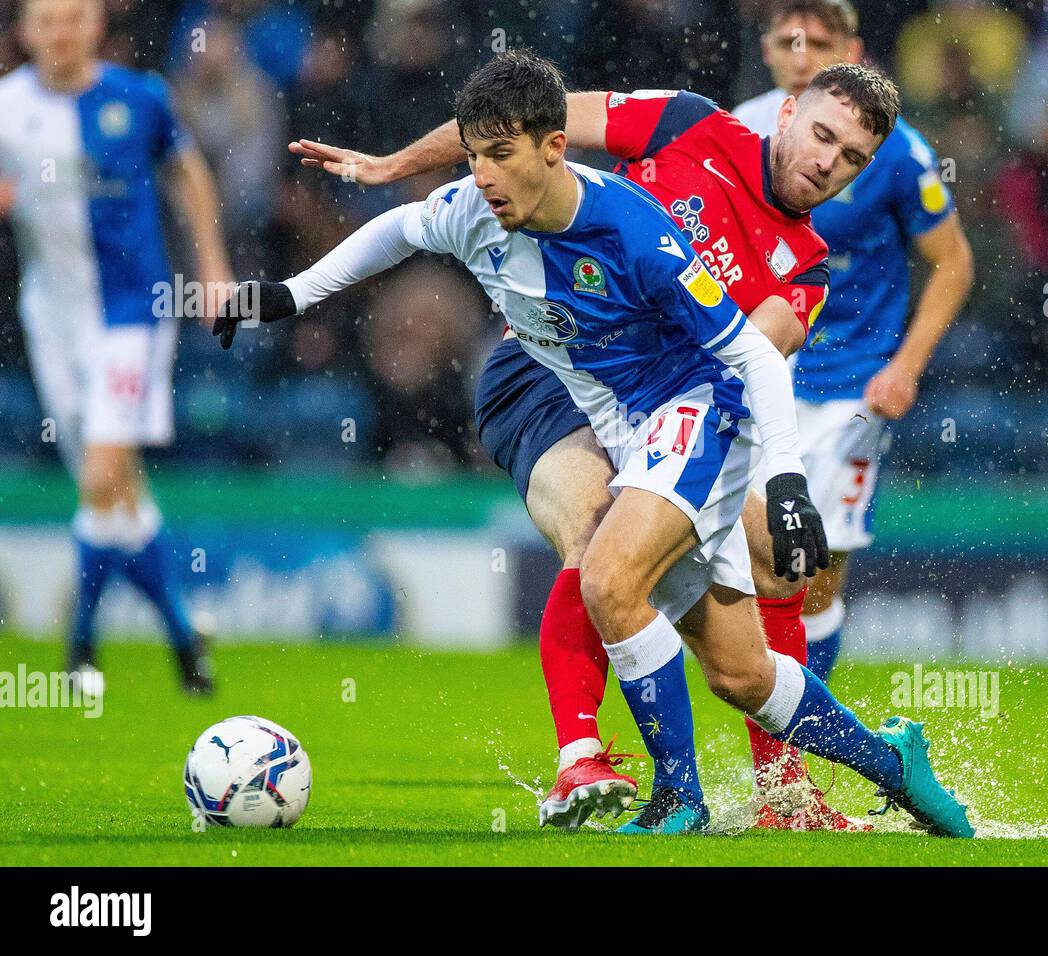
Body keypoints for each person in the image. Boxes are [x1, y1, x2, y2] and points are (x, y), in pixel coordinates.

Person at [216, 50, 974, 840]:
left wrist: (784, 481)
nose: (827, 163)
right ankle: (881, 764)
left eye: (852, 158)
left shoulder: (778, 264)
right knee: (730, 662)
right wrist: (302, 278)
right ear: (785, 115)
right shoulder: (674, 128)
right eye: (821, 136)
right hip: (558, 374)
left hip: (683, 406)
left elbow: (748, 357)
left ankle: (674, 789)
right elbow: (501, 137)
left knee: (627, 570)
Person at [733, 0, 974, 700]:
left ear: (854, 50)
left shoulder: (897, 150)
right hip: (752, 373)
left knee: (812, 572)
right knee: (734, 565)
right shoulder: (734, 130)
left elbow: (953, 262)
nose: (803, 56)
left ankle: (796, 747)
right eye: (788, 41)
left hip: (849, 387)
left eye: (822, 42)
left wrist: (905, 366)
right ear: (768, 48)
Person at [0, 0, 234, 693]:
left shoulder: (139, 98)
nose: (61, 32)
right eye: (47, 21)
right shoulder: (8, 107)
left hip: (133, 315)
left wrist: (213, 267)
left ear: (97, 24)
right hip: (50, 319)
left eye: (73, 17)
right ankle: (184, 638)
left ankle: (80, 648)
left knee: (103, 476)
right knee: (116, 493)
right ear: (25, 33)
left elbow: (188, 172)